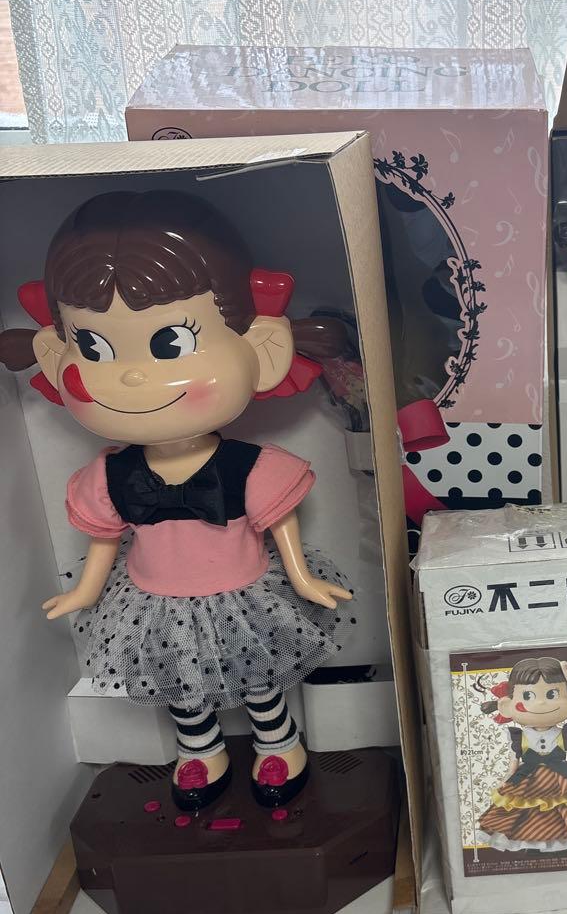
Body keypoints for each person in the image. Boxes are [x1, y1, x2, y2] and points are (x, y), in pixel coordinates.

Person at [0, 190, 353, 810]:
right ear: (54, 357)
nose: (132, 377)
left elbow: (281, 523)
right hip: (154, 600)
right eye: (94, 348)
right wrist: (85, 591)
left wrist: (301, 577)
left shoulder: (249, 467)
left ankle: (278, 743)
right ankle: (201, 751)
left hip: (242, 592)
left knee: (259, 675)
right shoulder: (109, 476)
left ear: (264, 349)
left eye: (170, 344)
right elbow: (104, 538)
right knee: (180, 682)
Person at [476, 657, 567, 852]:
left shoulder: (566, 733)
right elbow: (512, 765)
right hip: (527, 780)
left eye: (552, 694)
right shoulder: (518, 737)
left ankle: (562, 844)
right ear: (506, 706)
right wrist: (505, 780)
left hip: (563, 780)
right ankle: (532, 842)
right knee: (525, 811)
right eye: (528, 696)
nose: (541, 703)